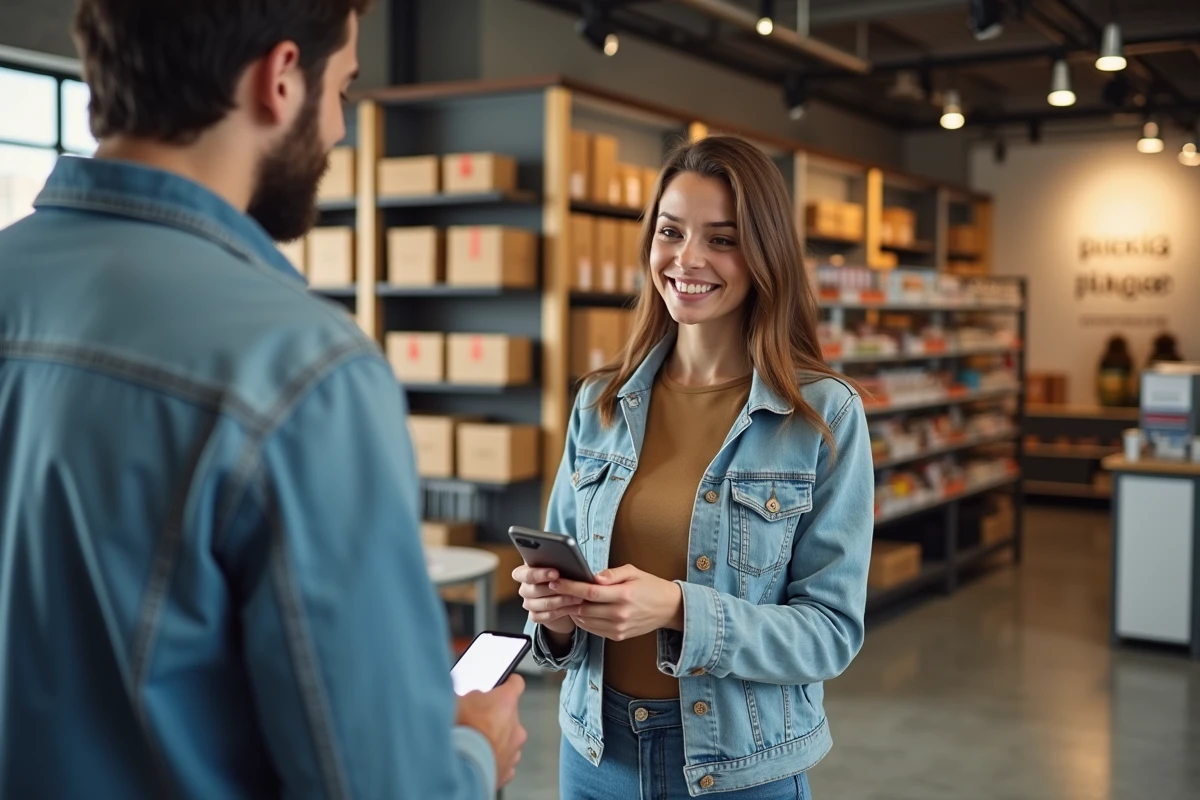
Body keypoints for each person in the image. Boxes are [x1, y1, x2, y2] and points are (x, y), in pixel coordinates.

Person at [0, 1, 524, 797]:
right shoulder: (303, 367)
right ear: (280, 79)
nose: (340, 131)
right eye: (343, 91)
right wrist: (475, 752)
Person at [516, 136, 875, 798]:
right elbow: (560, 609)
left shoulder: (822, 417)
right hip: (595, 756)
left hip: (738, 768)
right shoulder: (599, 403)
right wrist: (555, 614)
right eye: (671, 232)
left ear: (764, 254)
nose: (687, 259)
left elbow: (829, 634)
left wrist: (680, 607)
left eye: (721, 239)